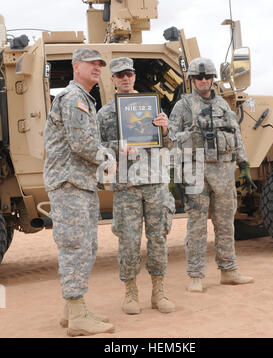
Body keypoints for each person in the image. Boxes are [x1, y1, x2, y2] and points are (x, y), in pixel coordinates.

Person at [168, 57, 256, 293]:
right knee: (197, 226)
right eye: (199, 77)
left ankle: (229, 270)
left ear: (213, 79)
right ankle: (195, 276)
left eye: (208, 77)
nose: (204, 81)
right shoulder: (183, 106)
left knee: (225, 223)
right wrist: (174, 172)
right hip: (195, 174)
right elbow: (171, 138)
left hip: (224, 174)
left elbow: (235, 136)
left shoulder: (223, 106)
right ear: (192, 80)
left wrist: (244, 166)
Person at [43, 48, 115, 336]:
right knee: (76, 246)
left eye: (100, 65)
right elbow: (80, 143)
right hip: (69, 183)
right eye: (91, 64)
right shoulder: (73, 98)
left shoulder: (83, 98)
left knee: (86, 246)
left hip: (79, 183)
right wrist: (108, 158)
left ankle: (70, 309)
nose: (97, 68)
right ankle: (76, 314)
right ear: (76, 66)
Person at [97, 57, 176, 315]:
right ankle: (130, 293)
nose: (125, 79)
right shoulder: (105, 114)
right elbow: (97, 149)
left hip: (154, 182)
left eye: (129, 74)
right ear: (113, 79)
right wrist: (116, 148)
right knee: (129, 242)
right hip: (126, 186)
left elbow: (172, 144)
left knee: (158, 239)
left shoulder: (152, 106)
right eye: (120, 75)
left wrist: (166, 130)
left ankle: (158, 291)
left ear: (134, 75)